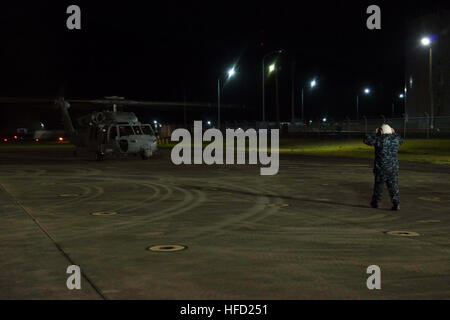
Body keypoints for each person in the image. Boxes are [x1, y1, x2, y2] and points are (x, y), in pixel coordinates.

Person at [363, 124, 403, 210]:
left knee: (378, 187)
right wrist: (393, 133)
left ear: (381, 131)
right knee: (393, 187)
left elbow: (366, 140)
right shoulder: (396, 139)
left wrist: (375, 132)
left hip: (381, 168)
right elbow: (400, 139)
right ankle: (396, 203)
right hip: (393, 168)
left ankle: (375, 203)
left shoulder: (379, 140)